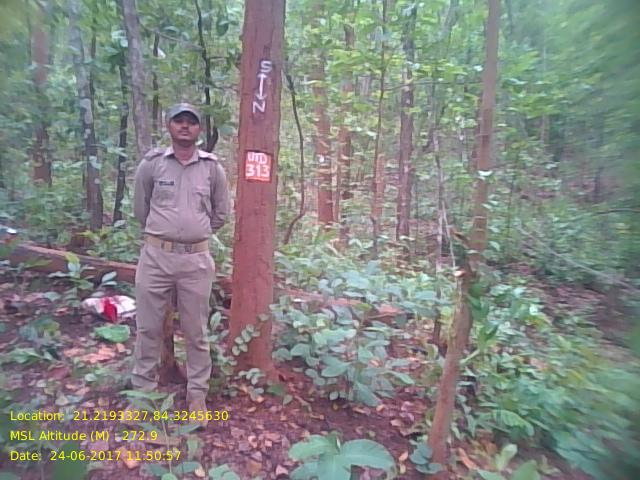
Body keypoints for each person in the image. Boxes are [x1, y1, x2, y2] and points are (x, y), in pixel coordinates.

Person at [131, 103, 230, 429]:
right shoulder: (152, 165)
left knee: (195, 331)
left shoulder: (212, 169)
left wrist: (192, 235)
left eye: (191, 122)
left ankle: (197, 396)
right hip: (156, 257)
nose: (185, 126)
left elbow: (220, 213)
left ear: (199, 129)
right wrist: (166, 234)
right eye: (179, 121)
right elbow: (141, 209)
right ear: (169, 125)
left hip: (195, 261)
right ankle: (142, 396)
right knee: (148, 328)